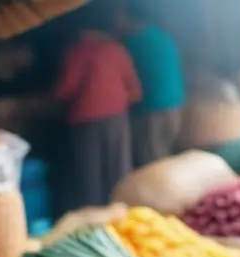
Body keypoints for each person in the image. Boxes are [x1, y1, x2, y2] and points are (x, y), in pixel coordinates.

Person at [54, 6, 141, 208]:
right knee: (118, 171)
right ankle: (123, 214)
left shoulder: (79, 52)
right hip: (118, 118)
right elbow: (135, 91)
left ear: (81, 30)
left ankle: (94, 219)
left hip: (87, 120)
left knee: (90, 175)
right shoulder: (118, 49)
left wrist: (51, 96)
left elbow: (66, 89)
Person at [113, 1, 186, 168]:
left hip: (151, 111)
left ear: (130, 18)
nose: (115, 22)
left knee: (152, 164)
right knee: (164, 157)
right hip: (173, 107)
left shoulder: (131, 44)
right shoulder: (161, 36)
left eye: (118, 17)